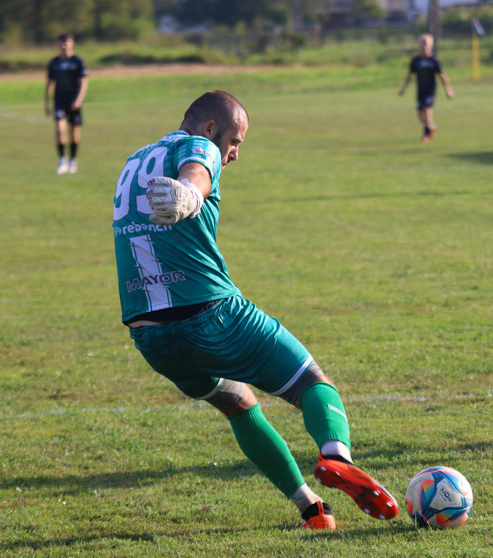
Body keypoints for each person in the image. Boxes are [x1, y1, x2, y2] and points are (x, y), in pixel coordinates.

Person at [111, 90, 399, 530]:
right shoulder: (200, 145)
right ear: (211, 128)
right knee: (311, 382)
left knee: (239, 404)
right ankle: (336, 457)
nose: (234, 154)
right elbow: (199, 168)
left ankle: (311, 508)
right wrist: (190, 193)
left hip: (149, 334)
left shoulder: (134, 160)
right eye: (235, 142)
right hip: (211, 315)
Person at [398, 33, 454, 143]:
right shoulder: (416, 61)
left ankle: (426, 134)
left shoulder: (434, 60)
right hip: (420, 89)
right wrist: (403, 89)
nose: (424, 46)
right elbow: (410, 76)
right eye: (422, 43)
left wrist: (448, 90)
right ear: (419, 45)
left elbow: (442, 76)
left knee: (427, 109)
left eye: (426, 44)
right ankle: (430, 126)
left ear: (431, 45)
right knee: (420, 114)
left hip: (430, 89)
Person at [45, 33, 88, 175]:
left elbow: (83, 82)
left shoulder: (78, 61)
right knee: (59, 129)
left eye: (67, 43)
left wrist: (79, 100)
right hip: (60, 101)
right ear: (58, 45)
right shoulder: (54, 62)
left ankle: (73, 161)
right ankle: (62, 161)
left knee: (74, 133)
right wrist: (46, 102)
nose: (64, 46)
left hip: (74, 101)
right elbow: (50, 83)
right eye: (61, 43)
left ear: (72, 44)